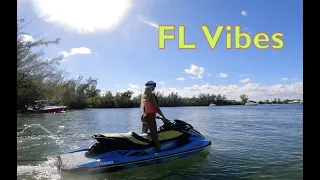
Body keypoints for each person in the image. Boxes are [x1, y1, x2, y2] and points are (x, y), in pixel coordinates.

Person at [140, 80, 169, 152]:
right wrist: (164, 117)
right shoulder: (152, 96)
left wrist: (158, 117)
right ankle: (159, 153)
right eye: (154, 85)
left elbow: (147, 110)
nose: (155, 87)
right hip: (149, 118)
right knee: (155, 136)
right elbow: (156, 108)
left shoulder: (144, 96)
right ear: (151, 86)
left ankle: (142, 149)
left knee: (143, 134)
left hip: (144, 117)